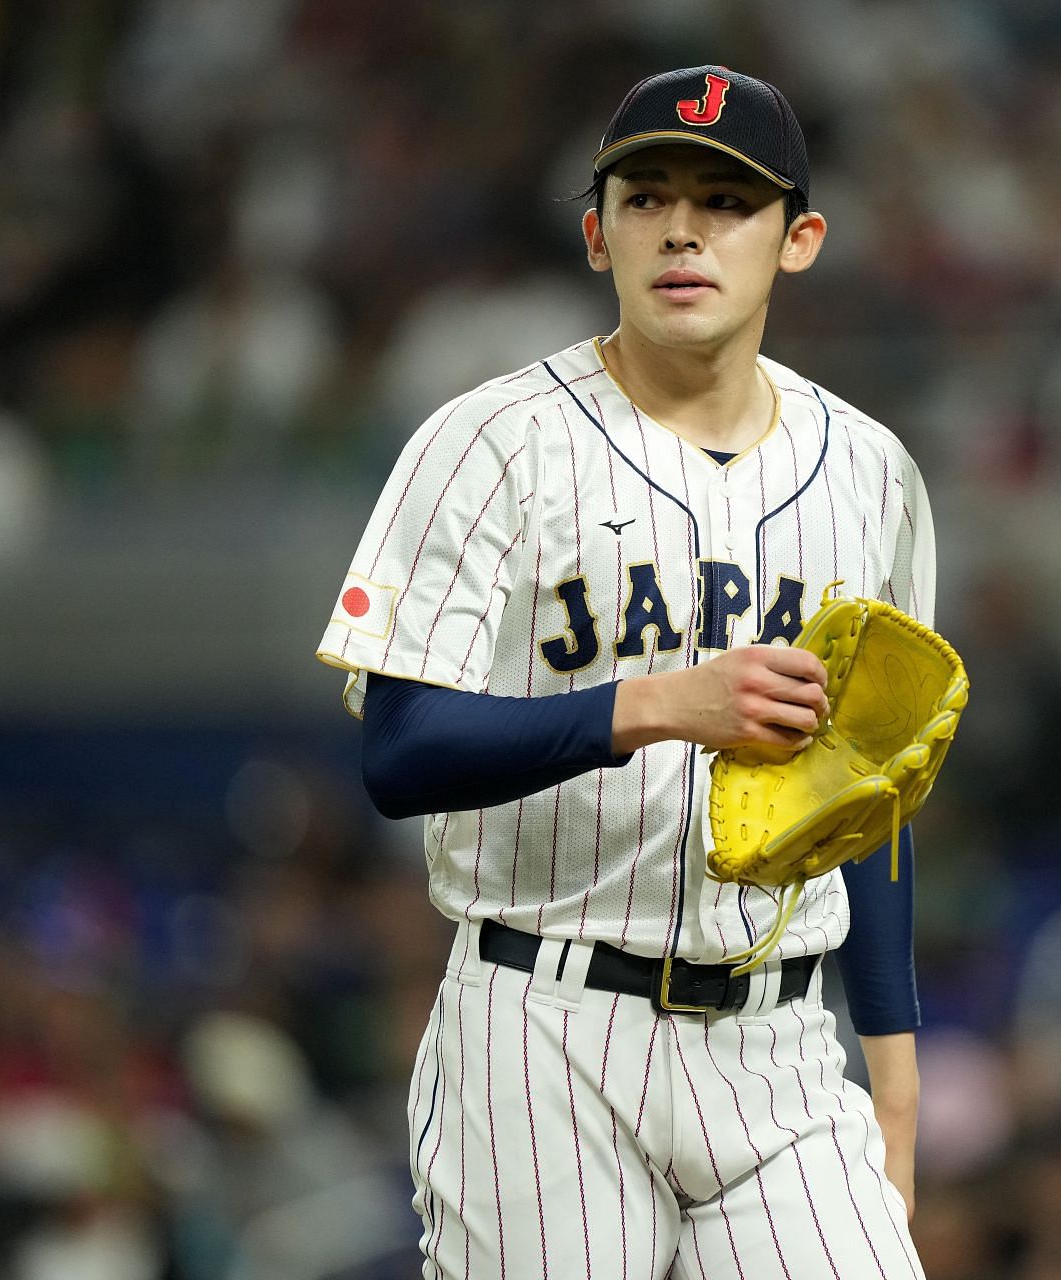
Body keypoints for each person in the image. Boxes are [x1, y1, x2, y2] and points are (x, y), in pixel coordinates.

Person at [315, 66, 931, 1278]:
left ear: (797, 240)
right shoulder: (489, 443)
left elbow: (875, 794)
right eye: (647, 198)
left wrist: (896, 1088)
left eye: (727, 201)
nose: (684, 230)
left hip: (781, 1045)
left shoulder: (869, 472)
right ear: (599, 233)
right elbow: (398, 756)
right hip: (545, 1023)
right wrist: (658, 704)